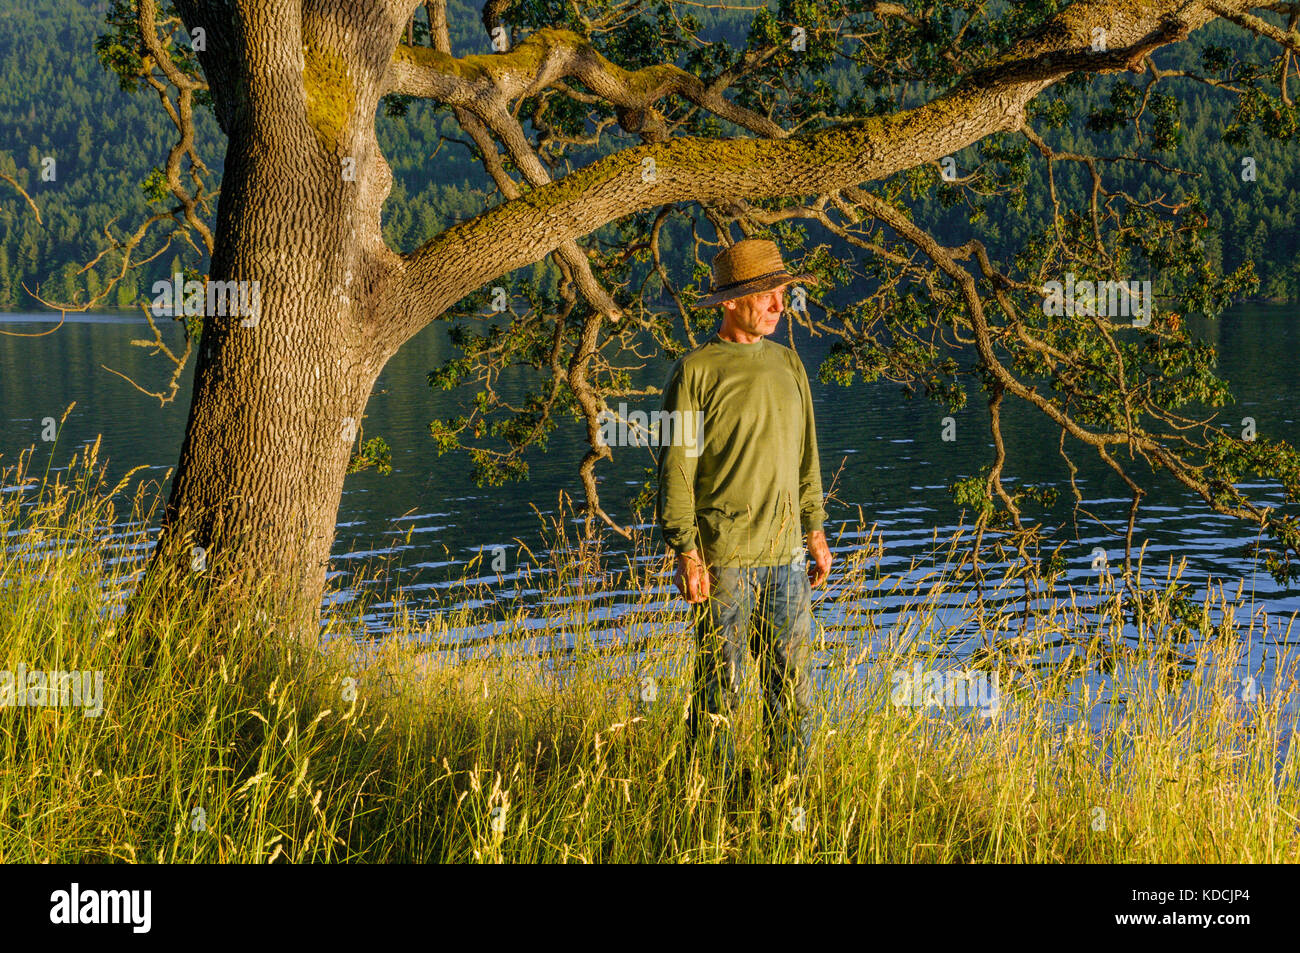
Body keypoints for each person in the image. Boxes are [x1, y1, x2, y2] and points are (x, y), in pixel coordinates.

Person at [655, 237, 833, 787]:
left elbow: (807, 453)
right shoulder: (694, 373)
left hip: (786, 559)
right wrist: (686, 551)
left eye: (782, 293)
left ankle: (787, 801)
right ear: (730, 302)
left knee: (795, 695)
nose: (781, 305)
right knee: (721, 694)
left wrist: (815, 530)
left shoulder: (788, 364)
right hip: (724, 562)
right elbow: (675, 469)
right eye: (768, 295)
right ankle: (709, 805)